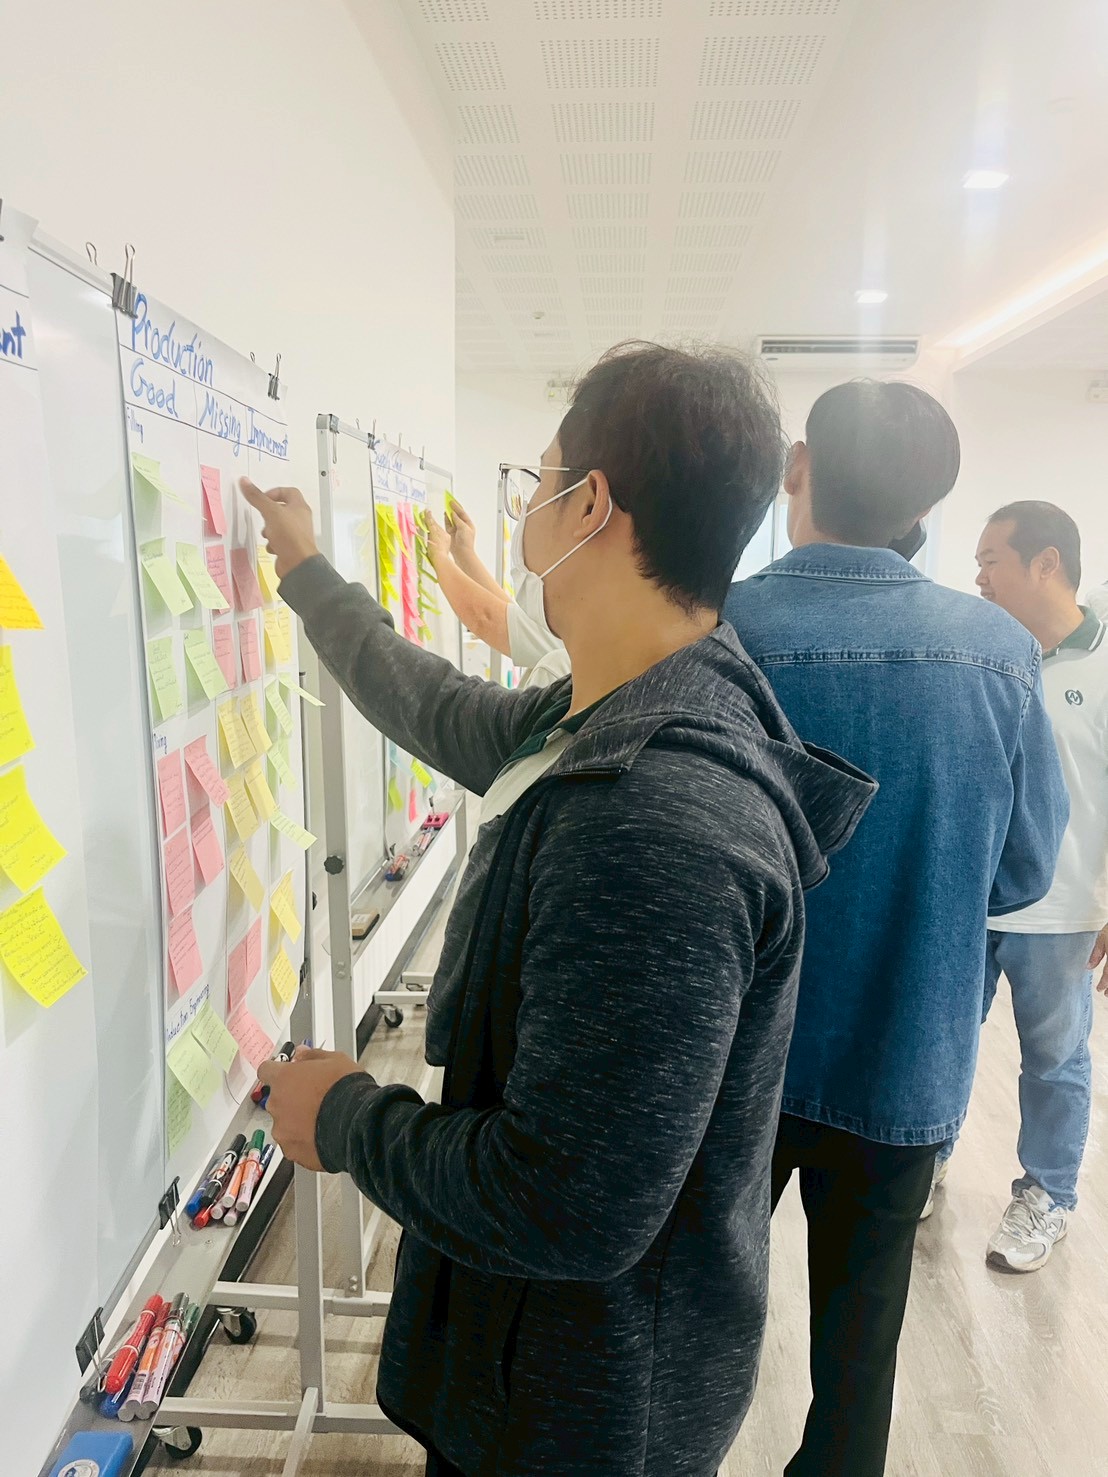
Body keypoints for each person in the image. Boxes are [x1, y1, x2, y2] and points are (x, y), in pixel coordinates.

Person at [241, 343, 874, 1477]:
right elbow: (438, 705)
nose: (526, 508)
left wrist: (342, 1116)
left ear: (588, 505)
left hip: (579, 1411)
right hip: (553, 1372)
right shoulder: (618, 707)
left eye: (534, 481)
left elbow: (563, 1204)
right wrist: (309, 573)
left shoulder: (653, 822)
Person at [723, 381, 1067, 1477]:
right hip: (904, 1053)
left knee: (687, 1321)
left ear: (798, 467)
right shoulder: (999, 651)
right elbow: (1023, 872)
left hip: (729, 1053)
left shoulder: (719, 626)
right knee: (859, 1353)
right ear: (927, 506)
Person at [930, 502, 1107, 1270]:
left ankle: (1046, 1195)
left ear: (1046, 564)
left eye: (990, 560)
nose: (979, 577)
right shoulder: (989, 654)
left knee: (1054, 1059)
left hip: (1063, 911)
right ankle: (928, 1157)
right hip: (971, 898)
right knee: (941, 1038)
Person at [424, 498, 570, 688]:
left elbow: (487, 619)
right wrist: (463, 552)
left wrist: (440, 559)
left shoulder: (573, 640)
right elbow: (508, 616)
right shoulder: (580, 630)